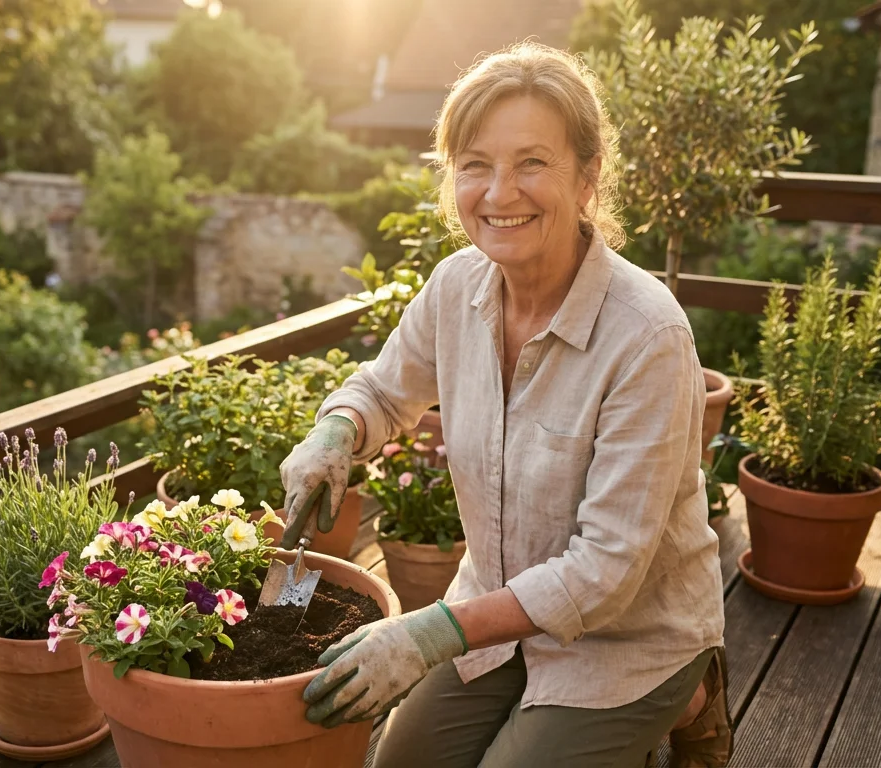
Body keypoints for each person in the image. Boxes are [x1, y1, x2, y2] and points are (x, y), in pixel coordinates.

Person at [278, 42, 730, 768]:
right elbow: (384, 388)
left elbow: (605, 573)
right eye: (476, 165)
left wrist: (429, 632)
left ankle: (690, 691)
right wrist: (335, 432)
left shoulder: (647, 334)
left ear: (588, 177)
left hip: (630, 635)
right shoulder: (457, 286)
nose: (499, 193)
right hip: (496, 613)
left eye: (532, 163)